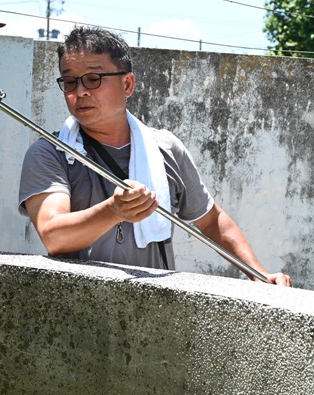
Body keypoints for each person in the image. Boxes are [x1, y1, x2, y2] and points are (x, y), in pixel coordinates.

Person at [19, 26, 292, 287]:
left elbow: (210, 220)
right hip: (77, 312)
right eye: (69, 82)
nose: (80, 91)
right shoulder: (50, 153)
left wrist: (258, 274)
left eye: (93, 78)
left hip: (154, 310)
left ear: (127, 84)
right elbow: (53, 235)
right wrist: (114, 211)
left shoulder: (166, 149)